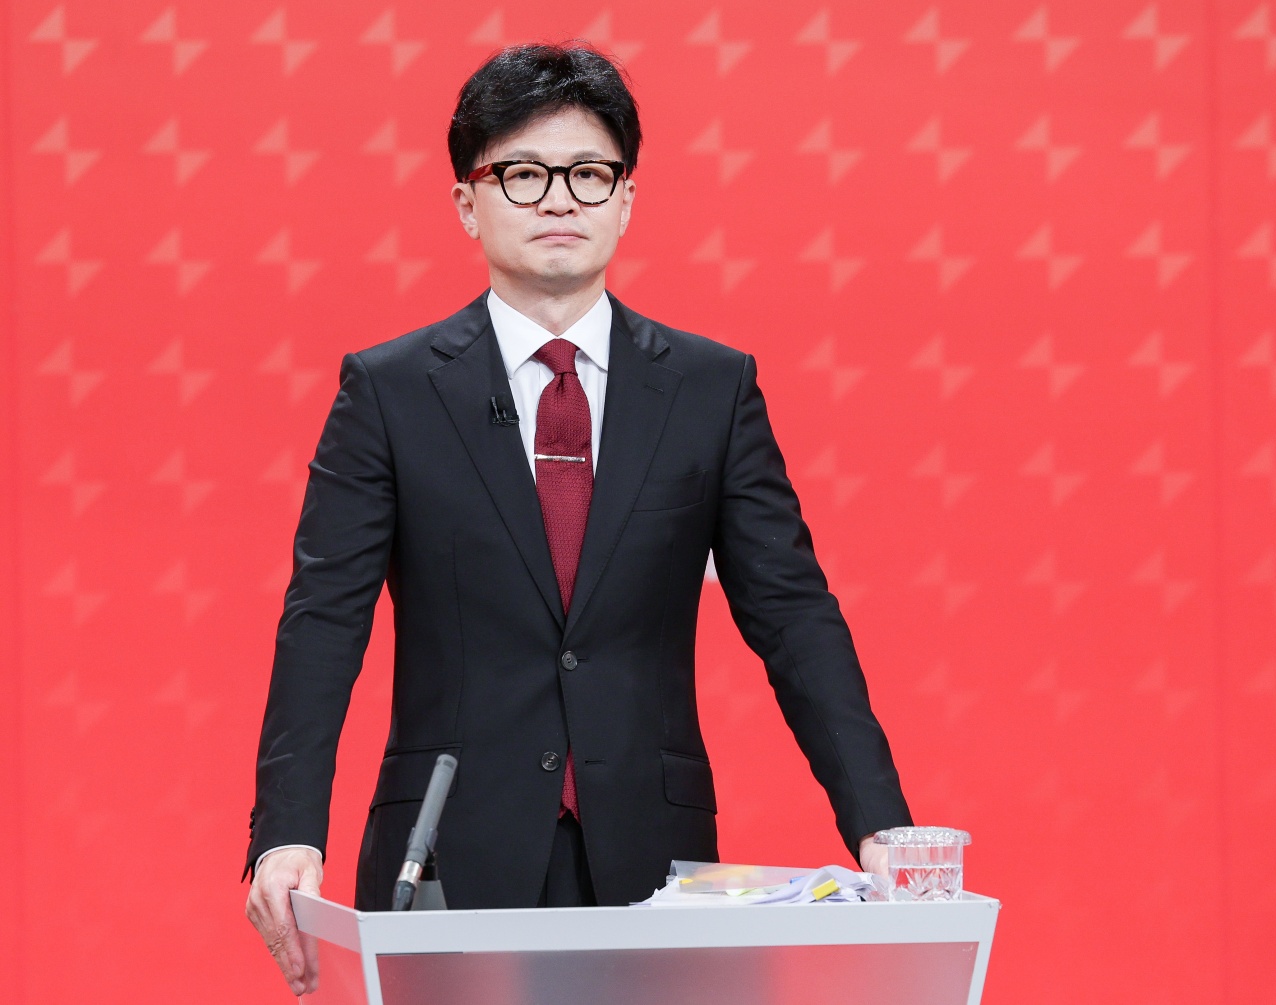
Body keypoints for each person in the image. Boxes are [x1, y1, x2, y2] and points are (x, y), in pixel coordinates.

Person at [245, 42, 911, 997]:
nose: (560, 198)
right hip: (446, 852)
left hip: (652, 852)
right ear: (467, 202)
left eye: (589, 174)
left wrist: (881, 824)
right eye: (523, 173)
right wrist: (286, 834)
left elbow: (794, 613)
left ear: (626, 199)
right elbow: (323, 620)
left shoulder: (710, 389)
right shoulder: (389, 393)